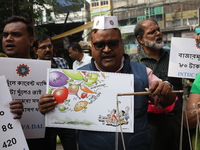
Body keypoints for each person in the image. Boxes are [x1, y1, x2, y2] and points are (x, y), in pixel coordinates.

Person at [38, 16, 176, 150]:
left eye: (112, 43)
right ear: (92, 48)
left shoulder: (142, 73)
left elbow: (167, 101)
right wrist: (48, 106)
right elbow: (60, 113)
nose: (107, 49)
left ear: (121, 44)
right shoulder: (78, 76)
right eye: (99, 45)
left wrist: (165, 90)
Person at [131, 19, 189, 150]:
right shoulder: (135, 65)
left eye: (158, 30)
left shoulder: (176, 57)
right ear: (140, 39)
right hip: (151, 124)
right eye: (152, 32)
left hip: (178, 120)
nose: (158, 33)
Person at [2, 15, 46, 150]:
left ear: (30, 40)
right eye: (5, 35)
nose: (8, 38)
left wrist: (49, 108)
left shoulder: (48, 75)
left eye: (16, 34)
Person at [33, 34, 77, 150]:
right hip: (46, 119)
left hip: (66, 117)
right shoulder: (32, 68)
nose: (48, 50)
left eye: (50, 46)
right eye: (43, 47)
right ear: (35, 50)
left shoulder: (62, 62)